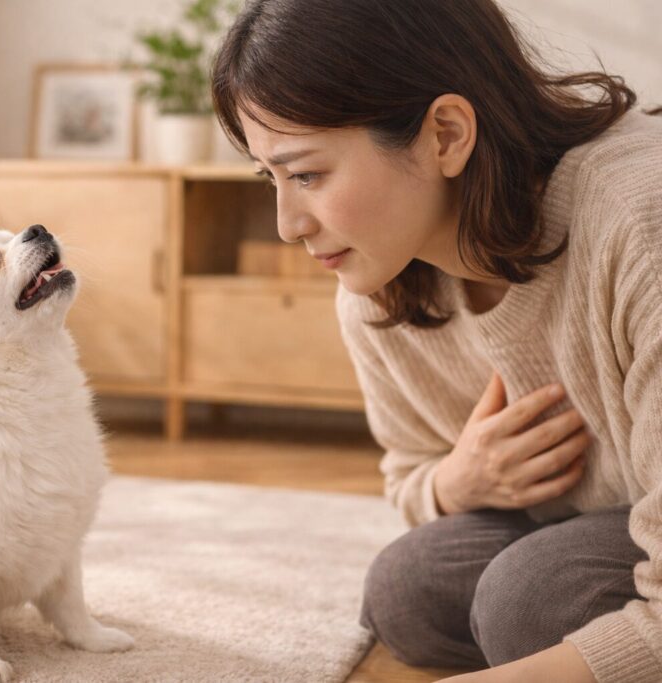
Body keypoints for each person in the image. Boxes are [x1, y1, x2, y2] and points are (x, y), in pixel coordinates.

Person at [210, 1, 662, 681]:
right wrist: (459, 479)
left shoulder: (637, 222)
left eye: (306, 173)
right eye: (268, 176)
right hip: (612, 516)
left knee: (529, 601)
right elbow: (409, 477)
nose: (287, 224)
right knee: (406, 590)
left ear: (445, 134)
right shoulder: (379, 286)